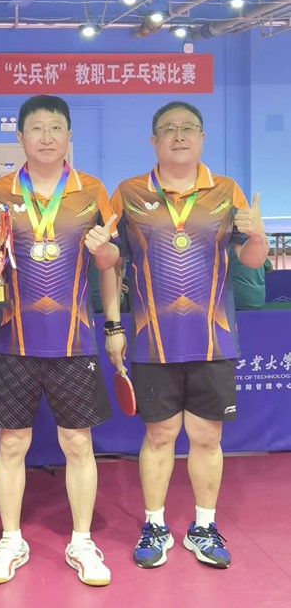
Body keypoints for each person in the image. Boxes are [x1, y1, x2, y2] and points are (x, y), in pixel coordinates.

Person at [103, 101, 269, 570]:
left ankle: (203, 526)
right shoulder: (128, 192)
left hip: (213, 338)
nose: (179, 136)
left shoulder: (226, 190)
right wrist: (113, 325)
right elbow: (111, 263)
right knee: (159, 436)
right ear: (153, 140)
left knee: (206, 437)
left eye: (189, 128)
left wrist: (257, 235)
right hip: (151, 339)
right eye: (169, 129)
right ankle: (155, 525)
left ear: (202, 138)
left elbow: (251, 260)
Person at [0, 95, 119, 586]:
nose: (47, 137)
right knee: (11, 443)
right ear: (20, 137)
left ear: (69, 135)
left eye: (56, 127)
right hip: (13, 339)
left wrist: (104, 253)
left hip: (74, 341)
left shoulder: (90, 190)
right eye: (36, 128)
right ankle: (11, 539)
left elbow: (109, 264)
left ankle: (82, 541)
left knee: (78, 442)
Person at [228, 243, 271, 310]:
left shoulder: (228, 247)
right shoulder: (259, 244)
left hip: (238, 301)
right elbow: (269, 267)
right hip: (259, 299)